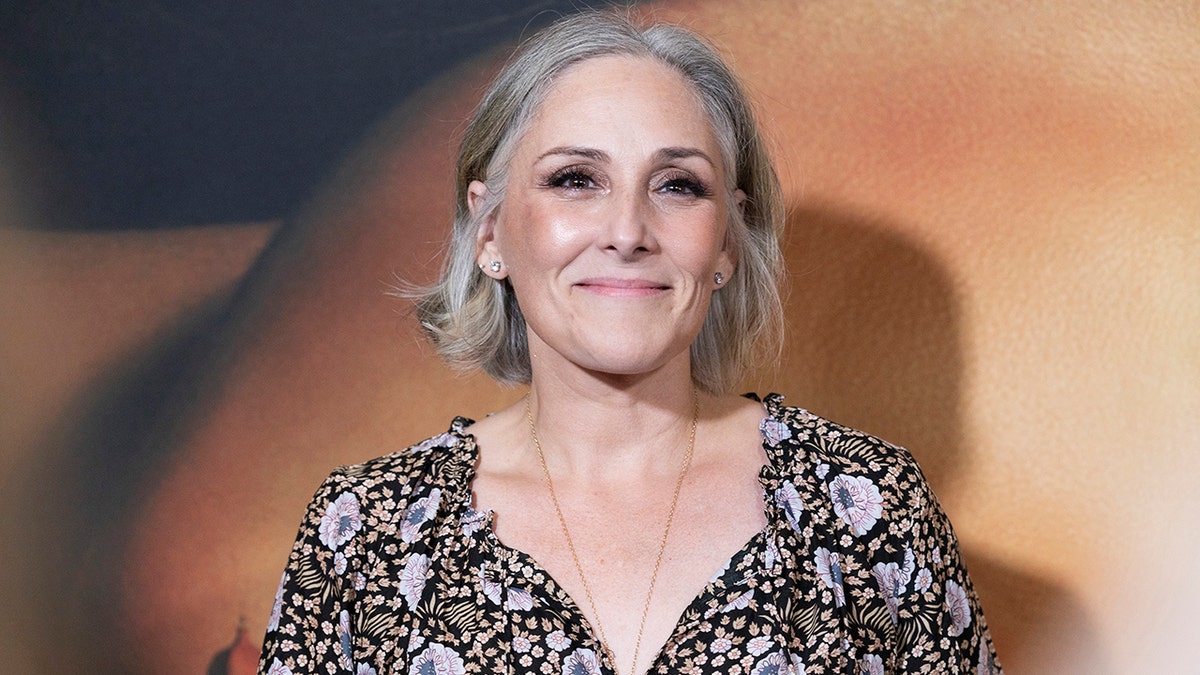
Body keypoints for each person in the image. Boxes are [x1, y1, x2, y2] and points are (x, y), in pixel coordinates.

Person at [258, 10, 1000, 675]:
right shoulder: (364, 532)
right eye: (576, 179)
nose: (627, 232)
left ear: (726, 243)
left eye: (677, 184)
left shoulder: (869, 510)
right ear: (490, 231)